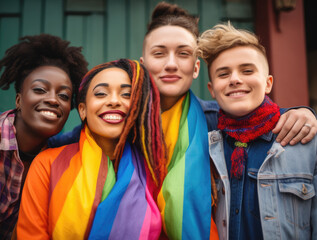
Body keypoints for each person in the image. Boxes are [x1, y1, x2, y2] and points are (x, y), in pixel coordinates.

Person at [16, 59, 166, 239]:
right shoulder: (46, 164)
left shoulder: (154, 170)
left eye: (126, 95)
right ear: (82, 110)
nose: (114, 101)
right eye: (101, 93)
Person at [197, 22, 316, 240]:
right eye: (224, 74)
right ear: (212, 90)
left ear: (268, 83)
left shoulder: (307, 142)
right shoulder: (206, 148)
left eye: (247, 70)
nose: (235, 79)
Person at [0, 34, 88, 239]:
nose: (52, 100)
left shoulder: (55, 153)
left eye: (64, 95)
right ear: (19, 100)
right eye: (40, 89)